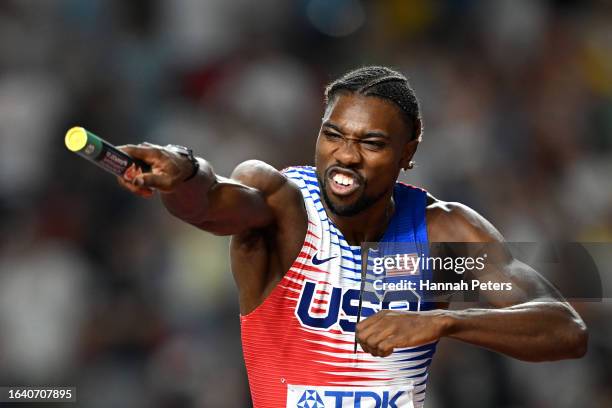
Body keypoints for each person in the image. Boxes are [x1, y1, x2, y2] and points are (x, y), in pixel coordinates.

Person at [117, 66, 587, 408]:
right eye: (333, 135)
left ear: (408, 151)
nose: (346, 157)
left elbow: (565, 330)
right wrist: (183, 172)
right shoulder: (283, 208)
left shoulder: (441, 235)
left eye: (372, 143)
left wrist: (444, 323)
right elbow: (208, 203)